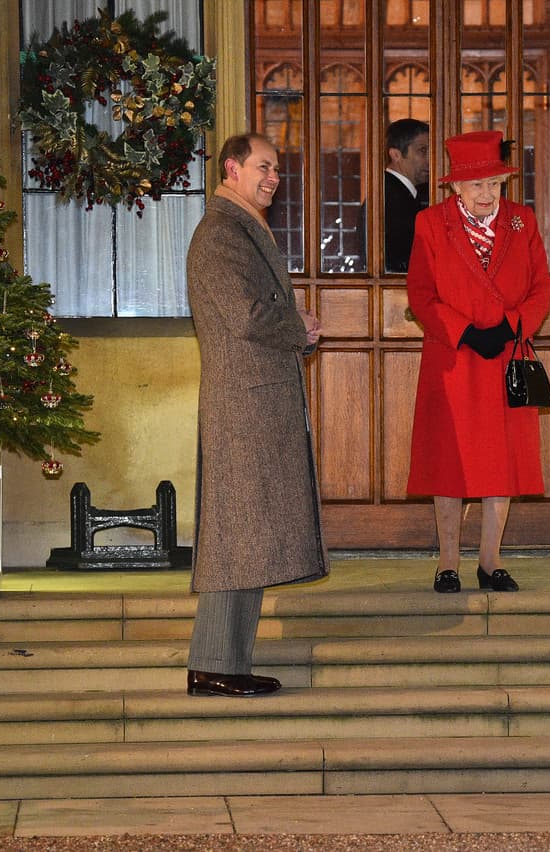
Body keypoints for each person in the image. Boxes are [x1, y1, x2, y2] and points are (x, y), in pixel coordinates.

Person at [184, 132, 329, 697]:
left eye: (276, 169)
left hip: (254, 400)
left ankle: (227, 663)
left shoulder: (242, 226)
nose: (273, 177)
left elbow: (254, 313)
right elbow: (245, 316)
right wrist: (297, 325)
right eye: (263, 167)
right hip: (242, 405)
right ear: (232, 169)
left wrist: (296, 329)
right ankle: (213, 665)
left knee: (247, 533)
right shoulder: (221, 232)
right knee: (236, 534)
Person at [406, 130, 550, 594]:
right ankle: (447, 563)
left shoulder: (522, 221)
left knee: (501, 463)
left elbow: (541, 289)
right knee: (448, 462)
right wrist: (467, 332)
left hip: (506, 357)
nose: (487, 194)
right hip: (453, 358)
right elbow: (421, 295)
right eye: (476, 185)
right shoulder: (431, 223)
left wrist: (510, 328)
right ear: (455, 186)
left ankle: (491, 561)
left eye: (494, 183)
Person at [384, 118, 430, 272]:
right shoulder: (391, 197)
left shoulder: (394, 192)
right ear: (396, 155)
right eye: (422, 150)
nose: (430, 160)